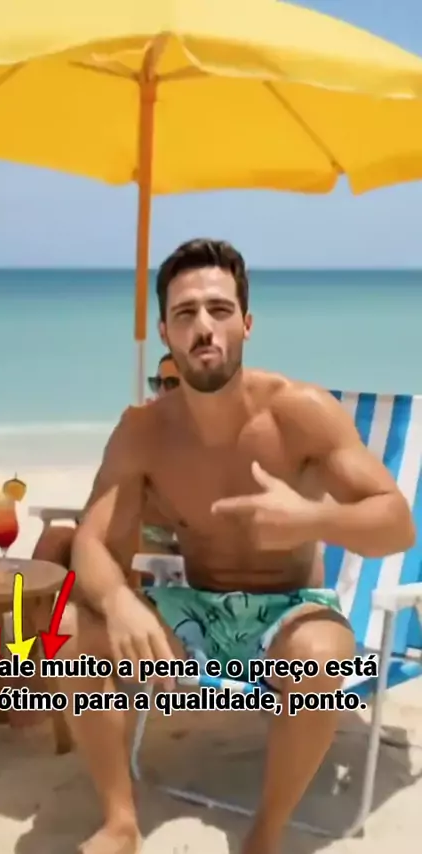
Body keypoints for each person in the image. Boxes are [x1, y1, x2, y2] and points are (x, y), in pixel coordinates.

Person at [59, 238, 415, 854]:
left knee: (322, 659)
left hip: (291, 611)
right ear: (165, 333)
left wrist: (310, 519)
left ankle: (265, 834)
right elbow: (90, 537)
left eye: (219, 309)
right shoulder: (143, 431)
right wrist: (115, 601)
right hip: (192, 608)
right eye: (185, 313)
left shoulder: (299, 412)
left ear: (247, 323)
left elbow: (398, 524)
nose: (204, 326)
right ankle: (120, 823)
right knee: (70, 631)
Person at [32, 352, 180, 568]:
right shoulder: (138, 429)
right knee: (53, 539)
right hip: (108, 532)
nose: (162, 390)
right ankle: (29, 593)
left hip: (156, 542)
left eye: (172, 383)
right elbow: (107, 486)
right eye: (157, 383)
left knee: (107, 553)